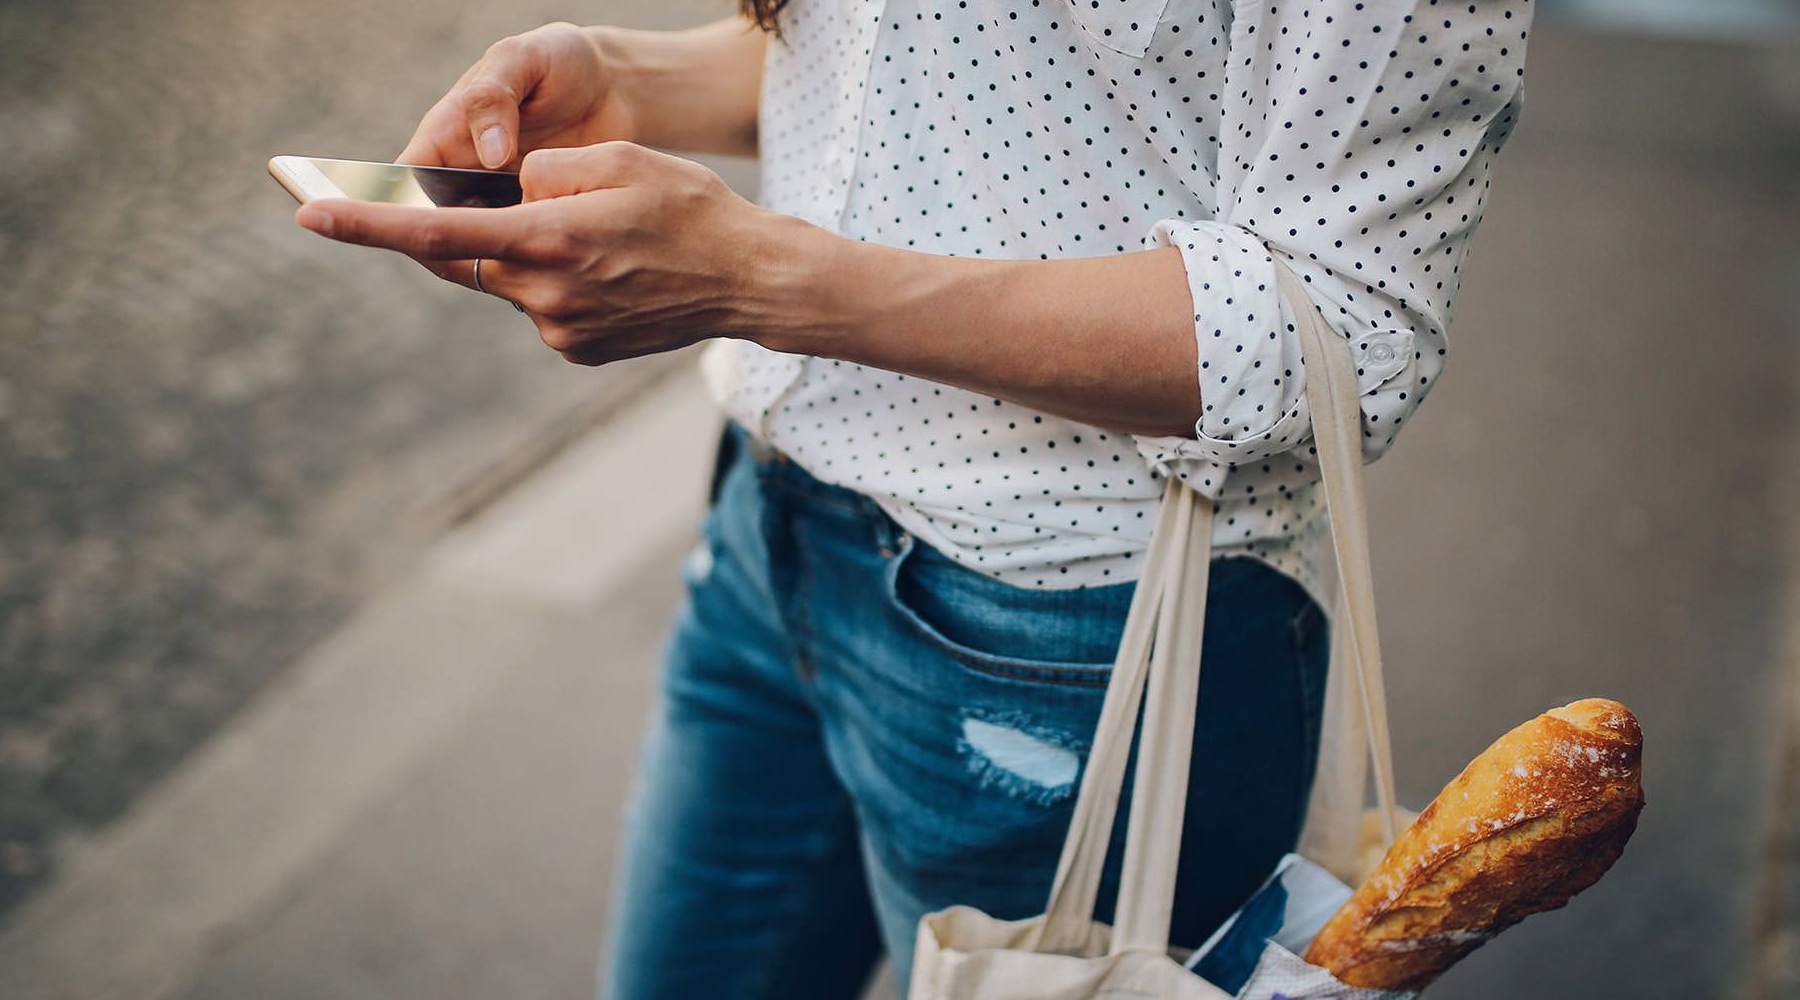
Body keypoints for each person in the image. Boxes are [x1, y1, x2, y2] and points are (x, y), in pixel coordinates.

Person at [294, 1, 1533, 996]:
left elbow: (1346, 321)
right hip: (767, 537)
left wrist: (764, 277)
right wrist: (622, 74)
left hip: (1078, 638)